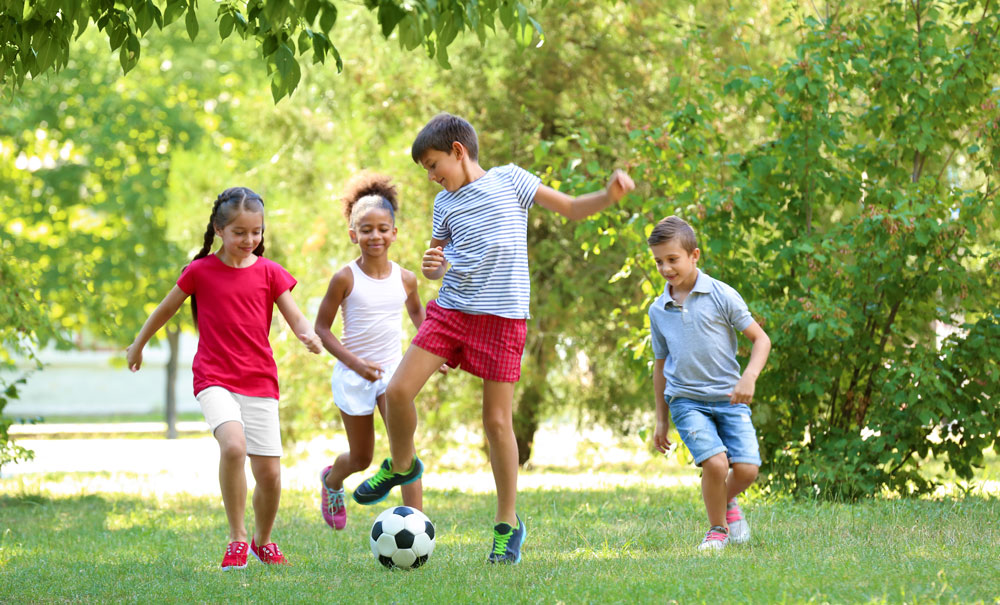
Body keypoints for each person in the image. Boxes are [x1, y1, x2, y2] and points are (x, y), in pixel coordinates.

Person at [351, 112, 635, 564]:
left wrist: (608, 195)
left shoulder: (511, 180)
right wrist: (433, 268)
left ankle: (507, 525)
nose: (430, 176)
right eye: (425, 169)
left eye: (432, 164)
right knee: (399, 391)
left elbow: (570, 207)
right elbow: (441, 260)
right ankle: (400, 465)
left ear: (458, 152)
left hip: (503, 319)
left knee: (497, 423)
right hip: (451, 311)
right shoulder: (444, 205)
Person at [126, 187, 322, 570]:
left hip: (259, 379)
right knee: (233, 447)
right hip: (214, 376)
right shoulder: (199, 271)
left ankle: (262, 540)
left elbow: (294, 315)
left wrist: (307, 334)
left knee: (269, 475)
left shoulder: (270, 272)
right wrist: (138, 344)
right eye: (240, 233)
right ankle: (235, 538)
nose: (249, 240)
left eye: (256, 232)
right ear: (219, 229)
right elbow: (164, 310)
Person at [314, 172, 432, 531]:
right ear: (353, 234)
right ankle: (332, 481)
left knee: (404, 451)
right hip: (353, 375)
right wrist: (354, 363)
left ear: (394, 233)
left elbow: (417, 314)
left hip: (393, 375)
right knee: (363, 457)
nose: (375, 236)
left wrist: (433, 351)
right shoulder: (345, 278)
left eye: (383, 228)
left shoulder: (406, 279)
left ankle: (417, 523)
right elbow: (322, 329)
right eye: (366, 229)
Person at [646, 215, 771, 551]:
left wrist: (749, 377)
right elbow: (660, 366)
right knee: (715, 464)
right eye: (659, 261)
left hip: (730, 397)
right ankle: (717, 529)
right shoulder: (658, 309)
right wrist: (661, 419)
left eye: (673, 259)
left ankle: (726, 502)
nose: (666, 268)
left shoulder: (721, 294)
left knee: (746, 470)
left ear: (694, 255)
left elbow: (761, 340)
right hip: (686, 400)